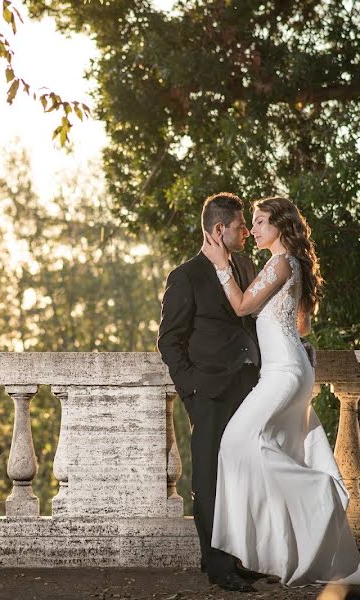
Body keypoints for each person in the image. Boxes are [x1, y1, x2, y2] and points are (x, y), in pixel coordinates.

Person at [202, 196, 360, 587]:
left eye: (260, 222)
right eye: (252, 224)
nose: (252, 229)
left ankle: (320, 491)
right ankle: (282, 551)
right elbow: (303, 326)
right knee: (270, 447)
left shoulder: (280, 263)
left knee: (237, 442)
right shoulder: (289, 264)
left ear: (280, 226)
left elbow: (244, 307)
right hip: (290, 368)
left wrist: (221, 267)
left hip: (282, 373)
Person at [158, 192, 261, 593]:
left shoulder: (247, 265)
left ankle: (238, 558)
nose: (247, 232)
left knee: (244, 475)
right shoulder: (186, 276)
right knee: (211, 476)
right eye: (240, 226)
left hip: (248, 386)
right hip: (209, 391)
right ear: (220, 230)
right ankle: (217, 566)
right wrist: (193, 387)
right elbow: (169, 341)